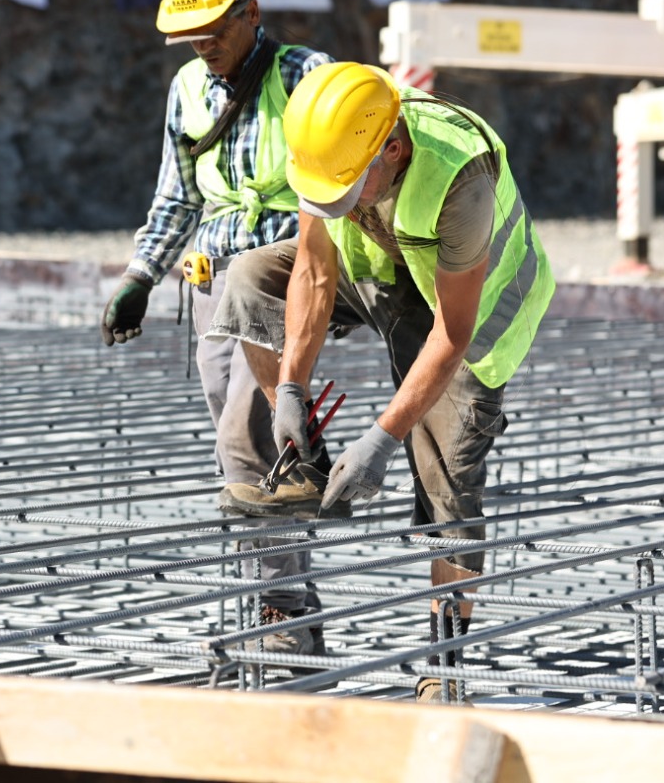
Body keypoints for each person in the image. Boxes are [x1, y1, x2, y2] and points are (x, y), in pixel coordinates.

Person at [206, 62, 554, 700]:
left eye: (346, 189)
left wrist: (382, 439)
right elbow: (311, 270)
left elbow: (451, 332)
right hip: (384, 277)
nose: (333, 200)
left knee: (447, 474)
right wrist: (291, 389)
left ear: (392, 151)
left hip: (471, 308)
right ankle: (304, 463)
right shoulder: (329, 141)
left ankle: (442, 667)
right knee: (251, 278)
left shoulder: (460, 177)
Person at [100, 0, 332, 654]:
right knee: (243, 451)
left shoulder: (305, 77)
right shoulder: (188, 91)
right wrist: (141, 275)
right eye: (189, 37)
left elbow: (340, 185)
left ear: (250, 10)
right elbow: (176, 199)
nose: (202, 46)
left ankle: (282, 611)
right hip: (210, 292)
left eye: (212, 32)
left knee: (245, 435)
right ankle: (283, 595)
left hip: (278, 279)